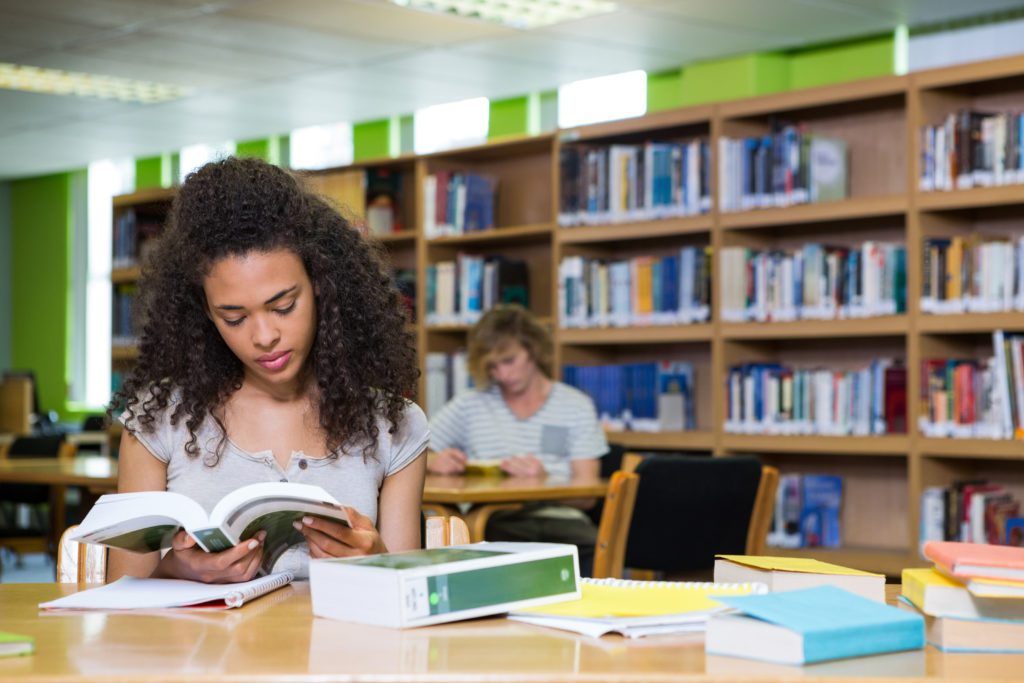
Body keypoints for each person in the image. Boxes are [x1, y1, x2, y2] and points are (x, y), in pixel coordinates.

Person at [107, 156, 427, 583]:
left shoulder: (394, 425)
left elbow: (407, 603)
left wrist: (377, 559)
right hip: (204, 651)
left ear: (321, 285)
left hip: (341, 650)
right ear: (205, 312)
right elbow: (119, 604)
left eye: (283, 306)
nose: (263, 336)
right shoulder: (158, 421)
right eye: (234, 318)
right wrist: (175, 569)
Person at [427, 305, 607, 571]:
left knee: (587, 546)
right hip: (492, 519)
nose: (503, 375)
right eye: (492, 367)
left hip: (560, 518)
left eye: (509, 361)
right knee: (483, 547)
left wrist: (545, 482)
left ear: (533, 349)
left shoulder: (576, 405)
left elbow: (587, 495)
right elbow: (412, 450)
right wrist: (434, 462)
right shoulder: (470, 404)